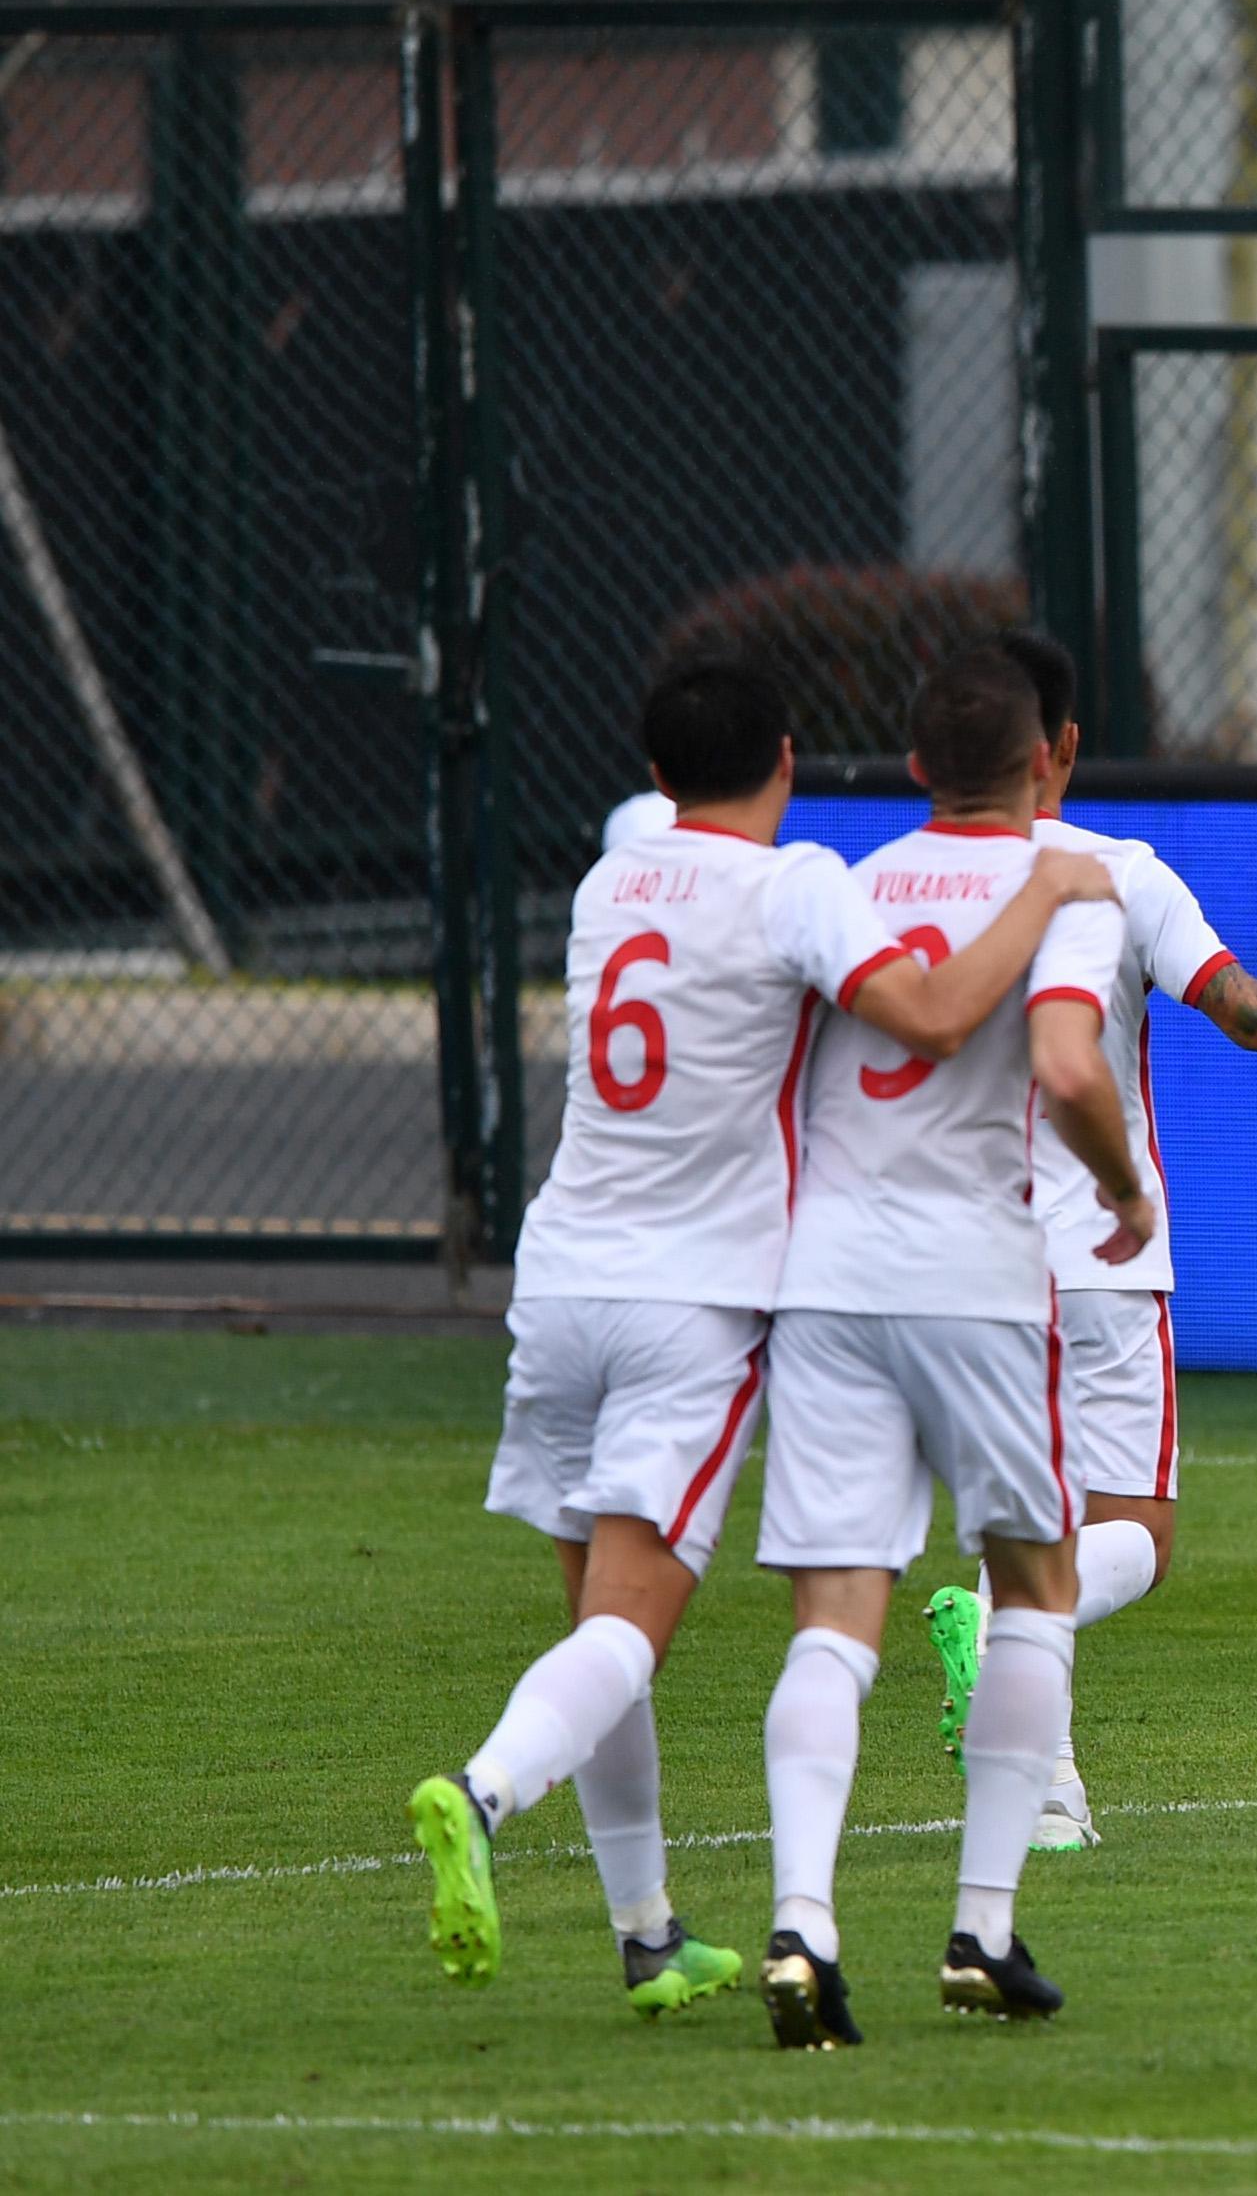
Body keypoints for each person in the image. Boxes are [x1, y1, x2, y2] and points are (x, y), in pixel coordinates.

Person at [405, 660, 1114, 2011]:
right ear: (786, 761)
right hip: (696, 1295)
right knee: (630, 1633)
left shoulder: (609, 883)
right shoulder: (795, 885)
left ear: (658, 774)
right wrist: (1037, 888)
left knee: (599, 1623)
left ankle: (649, 1927)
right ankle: (483, 1788)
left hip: (557, 1285)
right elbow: (932, 1012)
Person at [750, 646, 1145, 2044]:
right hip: (979, 1275)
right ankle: (980, 1923)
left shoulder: (850, 885)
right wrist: (1122, 1182)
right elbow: (1063, 1061)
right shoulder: (1068, 881)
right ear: (1048, 760)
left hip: (829, 1278)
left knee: (834, 1613)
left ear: (914, 767)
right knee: (1036, 1580)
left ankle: (802, 1924)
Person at [929, 631, 1257, 1853]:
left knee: (1027, 1525)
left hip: (955, 1268)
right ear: (1058, 747)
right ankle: (1018, 1686)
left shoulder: (899, 884)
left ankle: (1048, 1789)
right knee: (1136, 1541)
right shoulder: (1124, 874)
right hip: (1100, 1260)